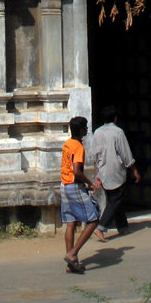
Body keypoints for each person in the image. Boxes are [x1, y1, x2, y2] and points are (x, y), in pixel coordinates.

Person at [92, 106, 140, 241]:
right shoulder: (118, 132)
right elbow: (126, 154)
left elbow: (95, 155)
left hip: (103, 170)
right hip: (115, 170)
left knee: (114, 198)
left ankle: (122, 226)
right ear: (115, 118)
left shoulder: (97, 132)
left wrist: (97, 174)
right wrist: (135, 171)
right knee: (115, 200)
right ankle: (101, 227)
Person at [60, 116, 99, 274]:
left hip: (64, 185)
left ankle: (71, 263)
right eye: (86, 127)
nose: (87, 129)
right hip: (74, 186)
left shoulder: (67, 144)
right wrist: (89, 183)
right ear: (81, 130)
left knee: (71, 222)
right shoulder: (78, 147)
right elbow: (76, 171)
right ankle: (73, 253)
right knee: (94, 218)